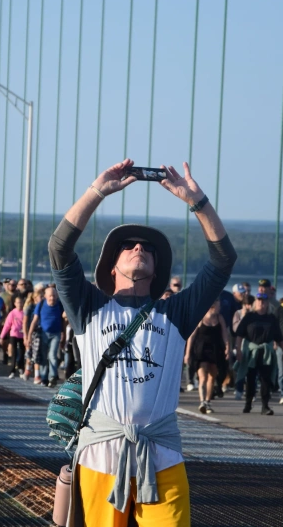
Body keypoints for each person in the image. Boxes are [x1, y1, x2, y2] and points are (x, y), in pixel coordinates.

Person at [50, 160, 235, 526]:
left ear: (157, 266)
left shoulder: (176, 313)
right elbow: (59, 250)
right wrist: (97, 191)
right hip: (101, 455)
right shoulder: (90, 308)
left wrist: (197, 201)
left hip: (162, 456)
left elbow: (223, 259)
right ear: (112, 265)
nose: (139, 248)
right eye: (129, 246)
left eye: (147, 247)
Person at [234, 292, 283, 415]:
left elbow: (278, 337)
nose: (261, 303)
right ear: (255, 302)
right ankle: (248, 403)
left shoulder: (271, 318)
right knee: (251, 379)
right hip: (251, 352)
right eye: (259, 300)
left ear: (267, 303)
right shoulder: (249, 317)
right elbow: (239, 334)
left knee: (266, 379)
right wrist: (238, 350)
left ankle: (265, 406)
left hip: (266, 353)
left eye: (264, 301)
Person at [185, 299, 230, 414]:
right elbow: (191, 337)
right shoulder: (200, 317)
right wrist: (187, 353)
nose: (219, 307)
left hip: (215, 351)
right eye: (217, 305)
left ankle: (208, 402)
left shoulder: (219, 318)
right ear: (212, 305)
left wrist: (227, 347)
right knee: (203, 377)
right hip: (201, 351)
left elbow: (225, 334)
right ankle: (202, 402)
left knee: (212, 377)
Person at [27, 287, 66, 387]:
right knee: (43, 357)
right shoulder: (41, 305)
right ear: (45, 296)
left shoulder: (60, 304)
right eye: (50, 296)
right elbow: (34, 320)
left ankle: (52, 377)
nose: (52, 298)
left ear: (57, 296)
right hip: (43, 333)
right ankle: (44, 377)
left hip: (56, 334)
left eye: (54, 296)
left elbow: (63, 322)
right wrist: (29, 336)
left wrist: (64, 335)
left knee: (52, 355)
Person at [0, 296, 26, 378]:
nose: (19, 304)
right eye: (18, 302)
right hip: (14, 334)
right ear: (15, 304)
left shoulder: (25, 313)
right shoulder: (12, 313)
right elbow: (7, 325)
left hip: (23, 335)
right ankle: (12, 370)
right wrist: (2, 336)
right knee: (14, 352)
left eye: (21, 302)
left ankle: (21, 368)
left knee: (22, 352)